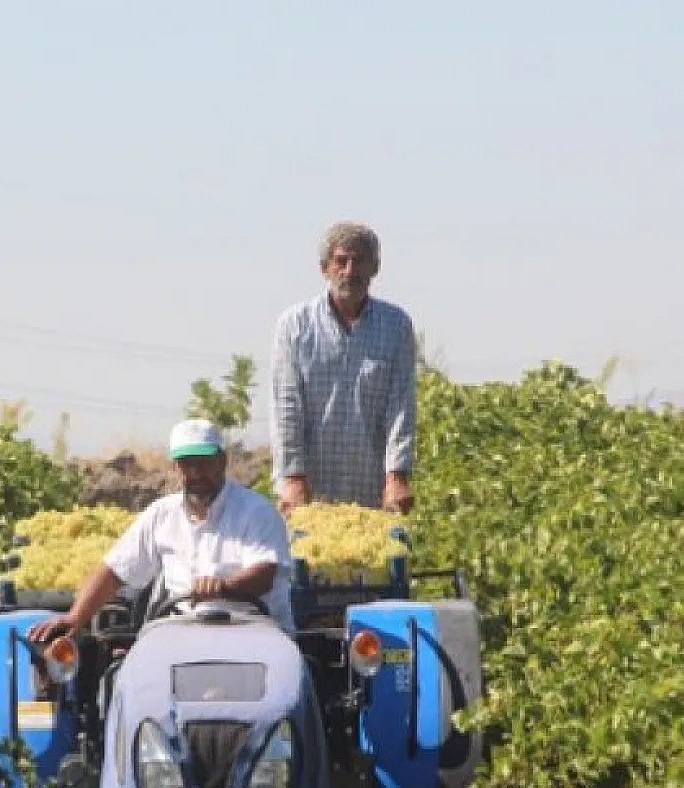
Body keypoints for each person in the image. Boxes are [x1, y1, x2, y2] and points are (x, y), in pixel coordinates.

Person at [25, 418, 294, 642]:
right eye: (187, 464)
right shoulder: (161, 515)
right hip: (185, 632)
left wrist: (222, 587)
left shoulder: (256, 511)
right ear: (176, 468)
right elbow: (115, 571)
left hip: (254, 632)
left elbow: (264, 575)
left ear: (222, 462)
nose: (196, 473)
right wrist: (75, 618)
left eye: (204, 462)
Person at [269, 221, 418, 515]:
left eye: (359, 261)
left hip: (371, 484)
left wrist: (396, 476)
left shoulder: (396, 325)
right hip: (310, 486)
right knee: (307, 557)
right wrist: (293, 476)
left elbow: (400, 406)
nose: (350, 271)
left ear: (374, 268)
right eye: (341, 261)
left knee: (379, 557)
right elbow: (286, 406)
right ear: (325, 268)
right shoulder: (295, 326)